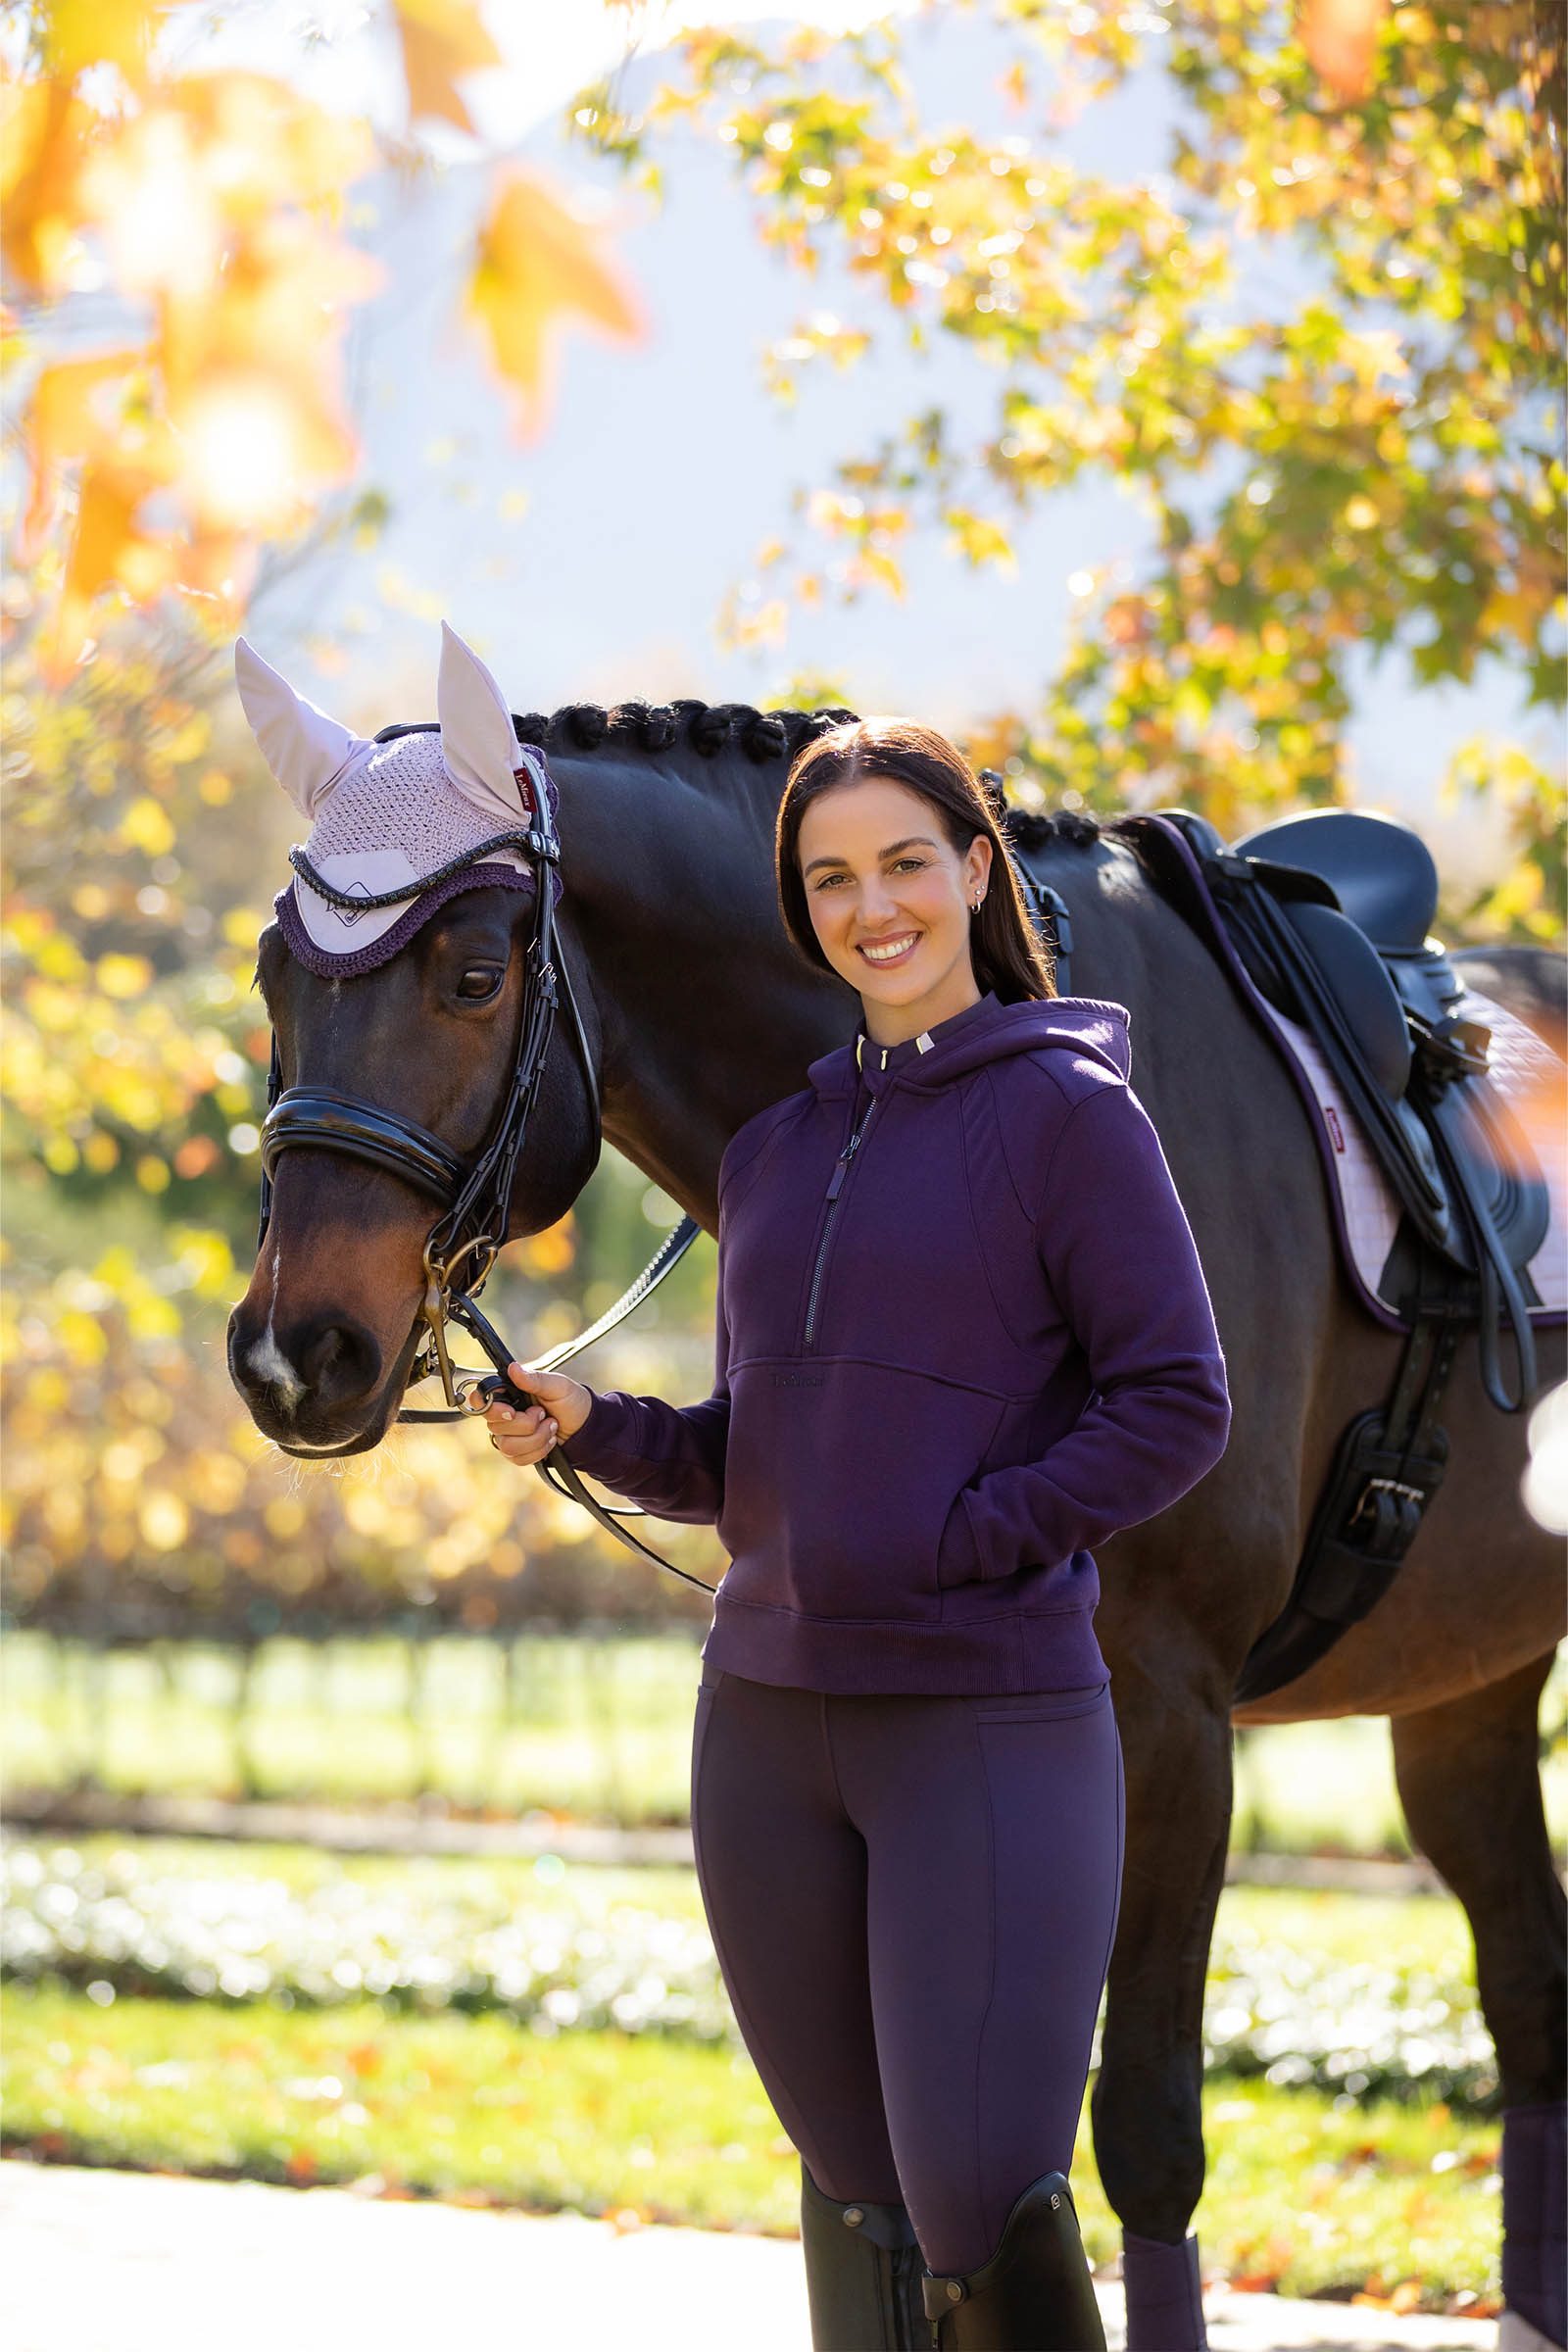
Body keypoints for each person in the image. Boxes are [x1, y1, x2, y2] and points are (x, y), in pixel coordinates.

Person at [486, 720, 1231, 2350]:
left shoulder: (1068, 1110)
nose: (870, 906)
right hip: (761, 1734)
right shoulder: (779, 1151)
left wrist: (972, 1540)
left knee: (981, 2199)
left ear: (976, 870)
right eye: (830, 878)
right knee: (854, 2192)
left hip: (984, 1719)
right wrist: (594, 1428)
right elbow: (757, 1455)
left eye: (904, 862)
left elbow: (1178, 1401)